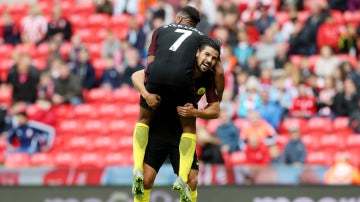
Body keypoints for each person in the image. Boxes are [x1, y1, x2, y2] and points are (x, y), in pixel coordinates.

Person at [131, 6, 224, 202]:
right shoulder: (184, 72)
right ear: (195, 52)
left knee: (192, 180)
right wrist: (147, 94)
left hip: (179, 133)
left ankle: (181, 182)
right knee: (146, 181)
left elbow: (216, 109)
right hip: (159, 128)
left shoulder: (206, 78)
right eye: (206, 55)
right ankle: (139, 174)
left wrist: (196, 112)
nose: (209, 60)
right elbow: (140, 74)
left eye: (213, 58)